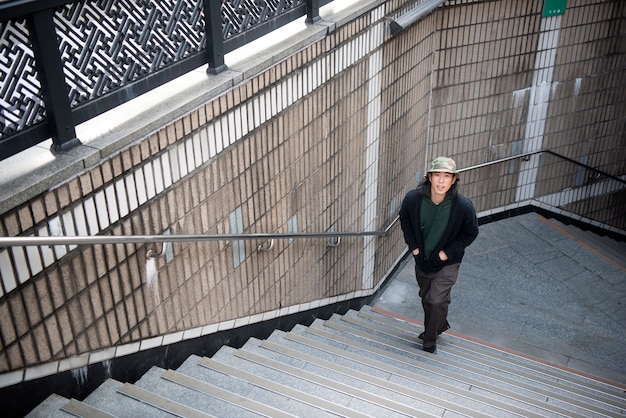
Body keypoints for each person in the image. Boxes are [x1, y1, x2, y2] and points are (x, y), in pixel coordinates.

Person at [399, 156, 479, 353]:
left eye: (446, 176)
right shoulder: (413, 199)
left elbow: (471, 233)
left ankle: (430, 339)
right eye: (437, 175)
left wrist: (447, 254)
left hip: (448, 262)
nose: (441, 181)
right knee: (428, 298)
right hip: (422, 260)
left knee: (435, 299)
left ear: (453, 180)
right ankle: (439, 324)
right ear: (430, 178)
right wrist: (414, 248)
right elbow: (405, 219)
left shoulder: (462, 206)